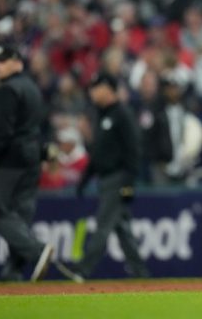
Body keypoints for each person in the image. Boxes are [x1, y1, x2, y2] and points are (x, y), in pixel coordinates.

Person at [68, 72, 149, 281]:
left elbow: (134, 149)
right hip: (105, 179)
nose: (92, 92)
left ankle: (82, 270)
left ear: (108, 89)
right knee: (122, 229)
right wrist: (84, 180)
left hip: (118, 178)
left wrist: (129, 183)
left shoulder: (122, 113)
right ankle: (140, 273)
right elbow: (97, 154)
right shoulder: (100, 114)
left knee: (103, 225)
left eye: (97, 87)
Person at [0, 44, 53, 282]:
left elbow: (2, 132)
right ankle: (12, 272)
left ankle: (37, 250)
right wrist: (42, 154)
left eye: (3, 61)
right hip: (32, 155)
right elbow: (40, 125)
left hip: (12, 157)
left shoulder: (7, 89)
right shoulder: (32, 88)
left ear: (17, 62)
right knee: (21, 212)